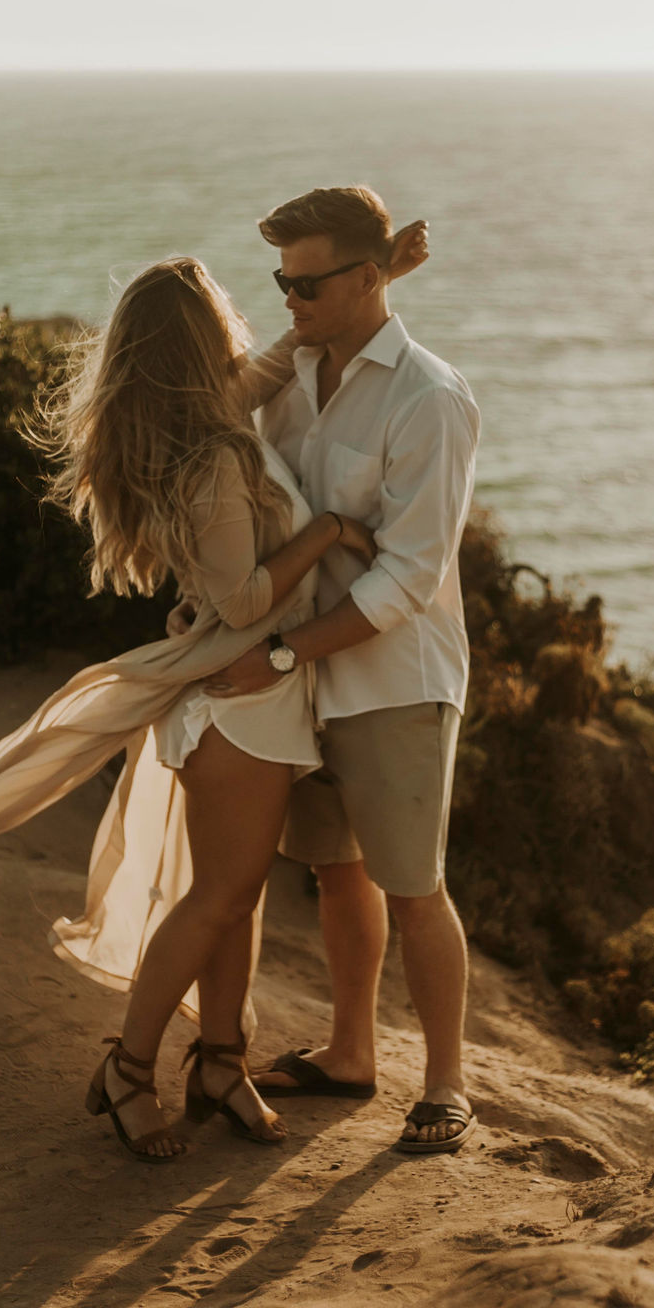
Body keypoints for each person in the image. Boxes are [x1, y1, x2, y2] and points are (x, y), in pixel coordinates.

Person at [0, 234, 426, 1165]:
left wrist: (374, 273)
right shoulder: (212, 458)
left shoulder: (212, 423)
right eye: (229, 320)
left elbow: (284, 360)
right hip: (241, 701)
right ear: (202, 344)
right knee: (218, 898)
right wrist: (323, 534)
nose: (249, 329)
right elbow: (238, 600)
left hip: (243, 696)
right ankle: (128, 1065)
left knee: (235, 903)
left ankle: (222, 1061)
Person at [203, 186, 481, 1155]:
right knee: (335, 871)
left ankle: (446, 1086)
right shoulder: (294, 374)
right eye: (281, 282)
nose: (288, 299)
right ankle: (351, 1051)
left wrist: (277, 654)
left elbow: (408, 578)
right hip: (302, 674)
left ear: (366, 277)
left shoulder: (429, 397)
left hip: (392, 676)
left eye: (308, 282)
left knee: (414, 886)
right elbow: (217, 409)